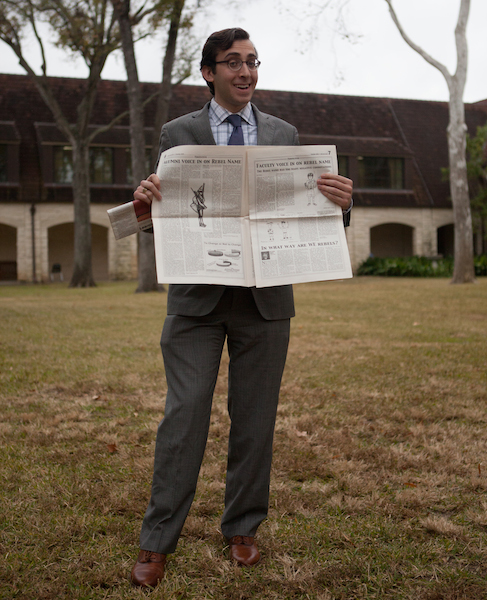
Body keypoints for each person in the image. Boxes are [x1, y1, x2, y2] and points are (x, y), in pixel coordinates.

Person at [130, 27, 353, 588]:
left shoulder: (284, 133)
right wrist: (145, 203)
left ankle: (243, 527)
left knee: (254, 422)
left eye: (253, 62)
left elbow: (308, 211)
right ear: (209, 72)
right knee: (184, 419)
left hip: (266, 300)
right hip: (196, 305)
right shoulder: (178, 132)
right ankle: (157, 542)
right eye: (233, 62)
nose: (246, 72)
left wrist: (340, 206)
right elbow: (168, 213)